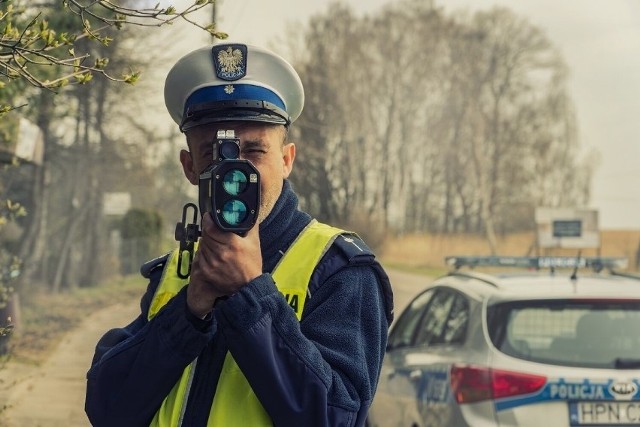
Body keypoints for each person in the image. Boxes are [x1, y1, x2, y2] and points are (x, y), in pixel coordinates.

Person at [84, 42, 394, 426]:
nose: (234, 172)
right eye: (215, 154)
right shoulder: (178, 268)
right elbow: (109, 409)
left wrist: (251, 297)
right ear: (189, 166)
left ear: (286, 159)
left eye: (253, 152)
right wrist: (189, 310)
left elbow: (335, 418)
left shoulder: (339, 271)